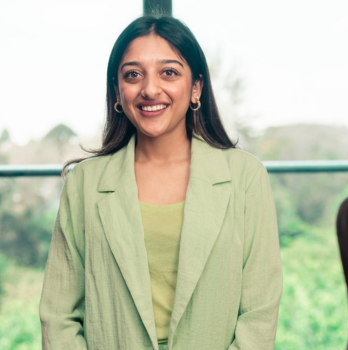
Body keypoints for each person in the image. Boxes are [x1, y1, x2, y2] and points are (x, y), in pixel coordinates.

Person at [39, 15, 283, 350]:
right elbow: (58, 316)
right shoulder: (83, 184)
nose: (150, 89)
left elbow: (259, 312)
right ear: (117, 92)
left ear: (196, 87)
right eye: (133, 75)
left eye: (168, 72)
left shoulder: (246, 177)